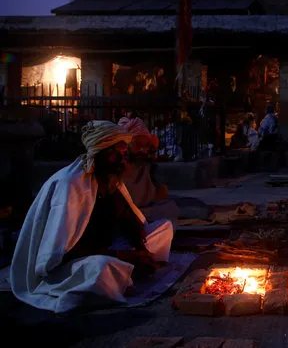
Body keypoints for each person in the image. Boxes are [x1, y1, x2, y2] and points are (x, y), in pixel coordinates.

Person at [10, 120, 174, 313]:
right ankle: (118, 275)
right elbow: (63, 252)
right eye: (117, 155)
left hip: (107, 247)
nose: (123, 161)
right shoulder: (70, 185)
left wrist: (140, 248)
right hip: (71, 263)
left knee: (163, 228)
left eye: (123, 155)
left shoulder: (109, 178)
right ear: (100, 153)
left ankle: (125, 272)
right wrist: (124, 255)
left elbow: (129, 219)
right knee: (102, 268)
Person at [118, 117, 180, 224]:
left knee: (170, 210)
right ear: (126, 145)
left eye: (146, 146)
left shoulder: (147, 166)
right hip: (123, 214)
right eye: (138, 145)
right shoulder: (116, 166)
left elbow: (160, 194)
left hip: (145, 211)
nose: (143, 150)